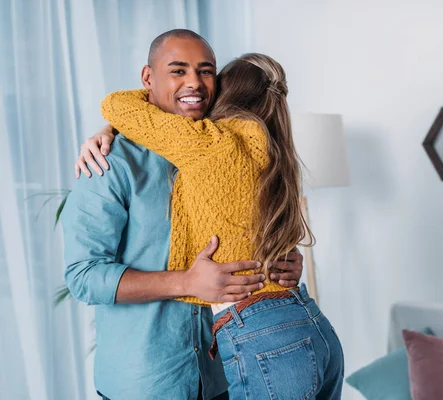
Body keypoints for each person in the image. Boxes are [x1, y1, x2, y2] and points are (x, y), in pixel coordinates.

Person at [82, 51, 345, 398]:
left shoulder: (211, 145)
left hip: (262, 336)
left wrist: (111, 124)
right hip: (308, 322)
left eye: (208, 80)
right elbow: (84, 274)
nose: (195, 86)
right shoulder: (274, 151)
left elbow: (117, 104)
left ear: (222, 97)